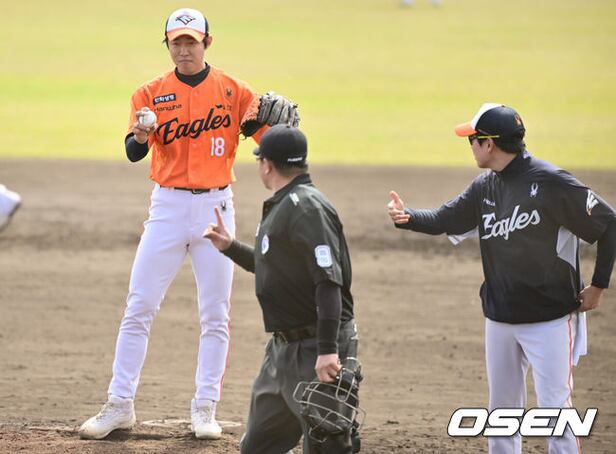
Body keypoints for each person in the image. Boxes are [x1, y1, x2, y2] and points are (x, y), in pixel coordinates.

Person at [79, 8, 299, 441]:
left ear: (206, 43)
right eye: (176, 42)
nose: (183, 49)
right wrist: (141, 136)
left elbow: (271, 145)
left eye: (191, 42)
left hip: (216, 208)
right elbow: (133, 153)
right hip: (167, 207)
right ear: (168, 45)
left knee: (215, 314)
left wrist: (286, 132)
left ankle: (204, 409)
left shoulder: (236, 92)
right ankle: (119, 404)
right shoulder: (149, 94)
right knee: (139, 306)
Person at [388, 103, 616, 454]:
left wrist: (598, 286)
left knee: (556, 411)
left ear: (489, 144)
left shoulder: (551, 182)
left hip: (550, 319)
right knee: (502, 413)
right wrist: (407, 217)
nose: (470, 146)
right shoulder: (485, 187)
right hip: (500, 318)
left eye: (472, 140)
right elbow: (446, 218)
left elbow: (609, 223)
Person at [204, 124, 361, 453]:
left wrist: (328, 350)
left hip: (316, 348)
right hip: (282, 351)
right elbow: (273, 268)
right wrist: (230, 247)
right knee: (258, 446)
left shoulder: (307, 209)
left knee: (327, 446)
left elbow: (328, 282)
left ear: (267, 164)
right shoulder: (285, 204)